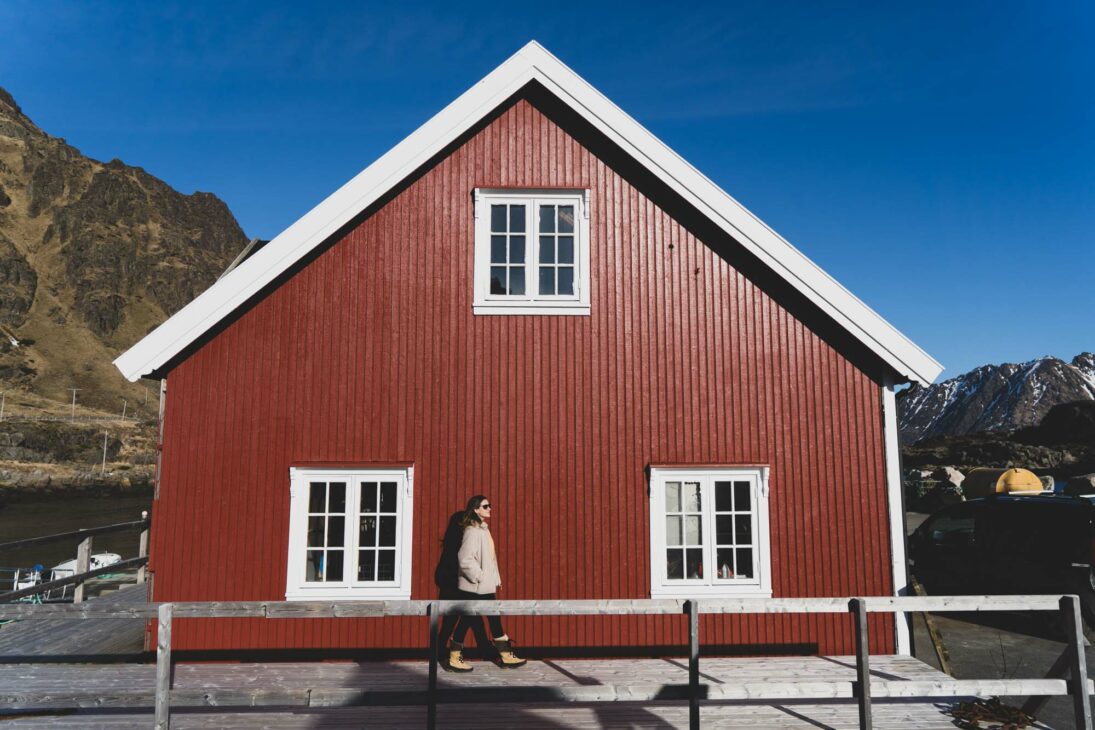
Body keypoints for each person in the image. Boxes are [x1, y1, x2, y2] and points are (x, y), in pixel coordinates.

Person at [444, 494, 527, 671]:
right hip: (475, 586)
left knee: (485, 618)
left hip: (483, 586)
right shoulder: (472, 531)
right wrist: (480, 577)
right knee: (471, 619)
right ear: (475, 510)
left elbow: (489, 559)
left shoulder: (482, 529)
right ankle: (456, 657)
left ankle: (503, 655)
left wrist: (492, 578)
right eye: (485, 506)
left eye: (490, 506)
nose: (490, 509)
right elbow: (465, 559)